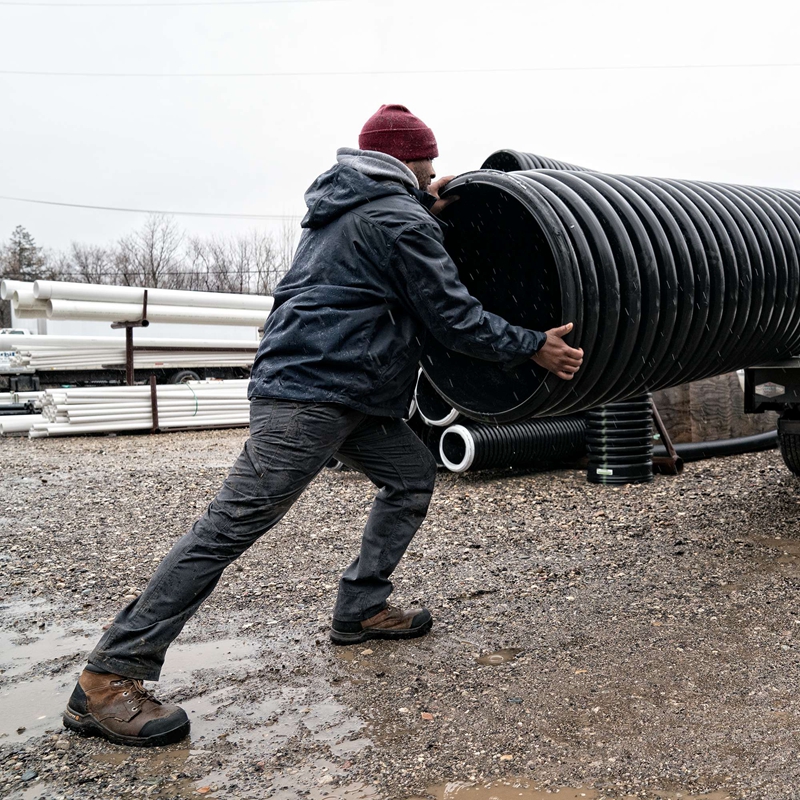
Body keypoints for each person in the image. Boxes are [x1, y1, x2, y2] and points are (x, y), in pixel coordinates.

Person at [62, 104, 584, 748]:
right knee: (229, 528)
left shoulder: (350, 208)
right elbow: (453, 317)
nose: (438, 173)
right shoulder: (394, 217)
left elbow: (388, 258)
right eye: (432, 162)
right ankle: (107, 678)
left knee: (411, 474)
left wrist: (423, 207)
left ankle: (361, 607)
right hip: (315, 395)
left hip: (347, 390)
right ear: (412, 160)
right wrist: (534, 344)